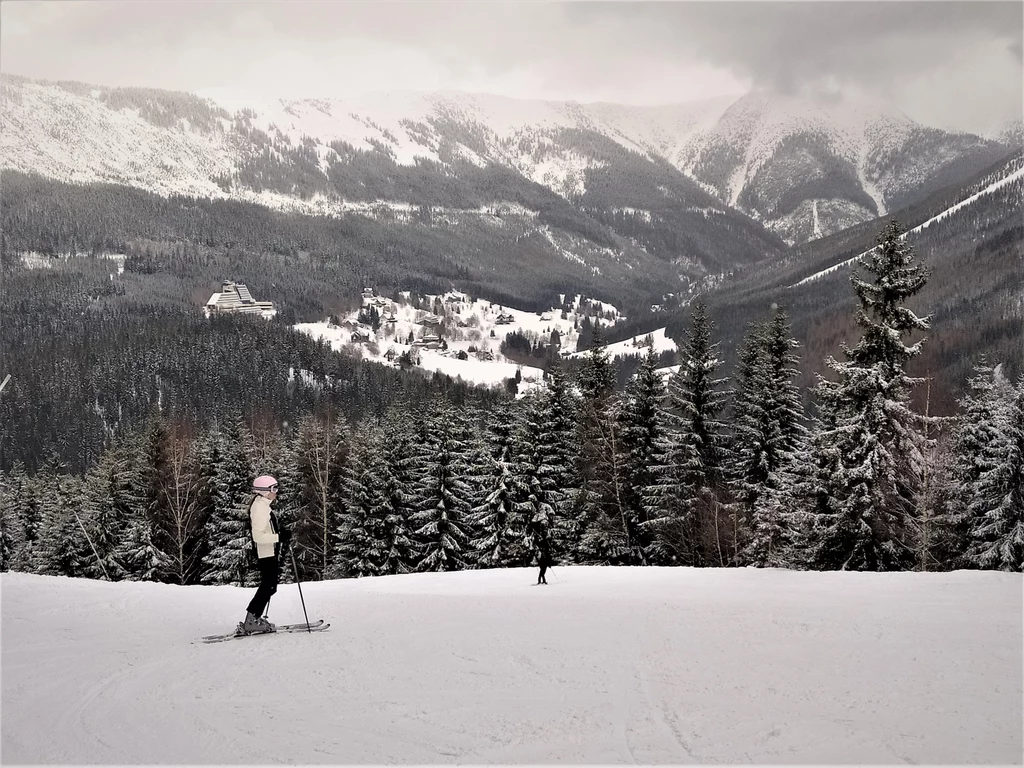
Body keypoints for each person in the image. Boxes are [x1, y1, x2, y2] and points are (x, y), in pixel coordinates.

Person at [237, 475, 291, 635]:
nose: (276, 492)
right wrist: (279, 537)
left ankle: (254, 618)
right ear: (264, 491)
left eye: (276, 488)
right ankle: (251, 620)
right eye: (273, 489)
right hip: (265, 552)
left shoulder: (263, 505)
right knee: (268, 585)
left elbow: (267, 529)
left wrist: (280, 533)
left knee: (270, 586)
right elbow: (258, 536)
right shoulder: (260, 507)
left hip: (269, 550)